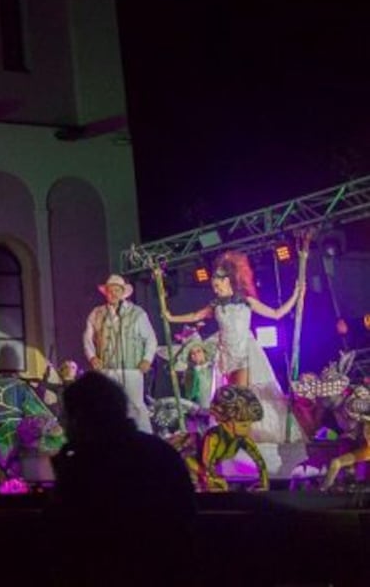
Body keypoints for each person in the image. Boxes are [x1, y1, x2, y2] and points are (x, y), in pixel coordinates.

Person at [51, 371, 195, 585]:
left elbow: (67, 539)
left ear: (80, 418)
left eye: (66, 417)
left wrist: (64, 478)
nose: (64, 426)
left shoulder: (86, 465)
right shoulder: (160, 452)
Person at [159, 251, 303, 442]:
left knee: (241, 396)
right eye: (213, 287)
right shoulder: (216, 305)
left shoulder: (246, 301)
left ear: (227, 281)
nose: (215, 290)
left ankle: (248, 434)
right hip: (226, 355)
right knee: (229, 397)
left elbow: (276, 314)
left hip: (244, 351)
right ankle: (234, 434)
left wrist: (296, 295)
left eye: (217, 286)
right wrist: (171, 317)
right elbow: (195, 315)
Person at [83, 274, 157, 433]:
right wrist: (92, 356)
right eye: (111, 290)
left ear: (123, 292)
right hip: (107, 367)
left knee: (136, 405)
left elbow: (151, 338)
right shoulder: (97, 313)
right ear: (106, 292)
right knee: (107, 403)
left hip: (131, 368)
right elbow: (87, 338)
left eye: (117, 290)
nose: (114, 293)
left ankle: (145, 438)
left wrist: (146, 359)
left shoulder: (137, 313)